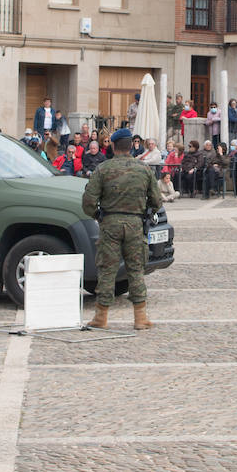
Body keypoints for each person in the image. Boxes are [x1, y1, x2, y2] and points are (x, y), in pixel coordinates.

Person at [82, 129, 161, 330]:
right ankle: (140, 317)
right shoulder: (144, 169)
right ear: (131, 146)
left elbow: (89, 201)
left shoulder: (103, 169)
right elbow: (156, 201)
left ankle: (101, 317)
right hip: (135, 225)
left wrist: (98, 215)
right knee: (136, 269)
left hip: (110, 224)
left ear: (114, 146)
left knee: (107, 270)